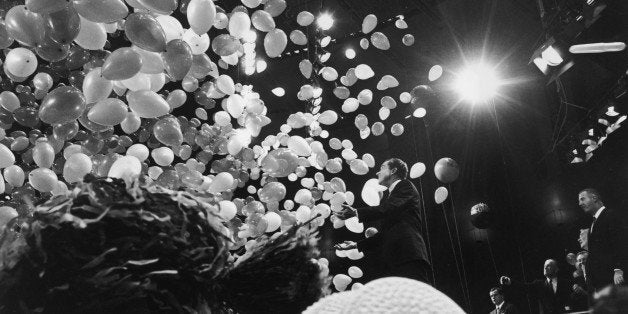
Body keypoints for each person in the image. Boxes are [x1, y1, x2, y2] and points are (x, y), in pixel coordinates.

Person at [333, 158, 431, 282]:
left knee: (416, 299)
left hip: (409, 254)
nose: (377, 173)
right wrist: (356, 245)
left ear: (393, 170)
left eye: (382, 167)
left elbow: (388, 208)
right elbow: (385, 234)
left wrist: (356, 212)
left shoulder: (405, 186)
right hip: (396, 258)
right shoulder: (392, 197)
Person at [578, 188, 628, 291]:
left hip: (613, 278)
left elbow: (620, 243)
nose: (580, 203)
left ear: (594, 198)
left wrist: (618, 269)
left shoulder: (611, 216)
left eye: (582, 199)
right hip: (601, 281)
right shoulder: (594, 222)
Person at [500, 259, 573, 313]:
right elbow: (524, 287)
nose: (545, 268)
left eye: (548, 266)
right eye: (544, 266)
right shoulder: (539, 284)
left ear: (556, 269)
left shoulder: (565, 283)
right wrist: (510, 282)